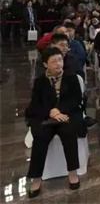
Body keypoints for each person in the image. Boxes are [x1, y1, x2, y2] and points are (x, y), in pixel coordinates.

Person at [25, 48, 84, 198]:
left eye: (60, 60)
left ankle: (72, 172)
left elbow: (76, 99)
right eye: (53, 61)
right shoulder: (40, 81)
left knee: (69, 133)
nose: (58, 64)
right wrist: (51, 112)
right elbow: (36, 104)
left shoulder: (71, 77)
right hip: (46, 117)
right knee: (40, 137)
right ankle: (36, 178)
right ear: (46, 64)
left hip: (67, 115)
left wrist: (59, 110)